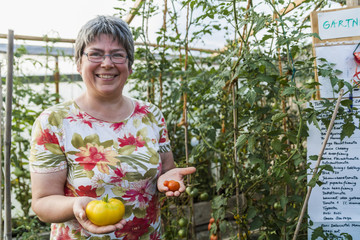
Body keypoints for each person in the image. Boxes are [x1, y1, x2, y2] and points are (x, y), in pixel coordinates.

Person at [29, 15, 196, 239]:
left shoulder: (151, 115)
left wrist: (168, 179)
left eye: (117, 55)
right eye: (95, 54)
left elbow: (165, 171)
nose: (107, 63)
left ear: (130, 65)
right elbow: (42, 203)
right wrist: (76, 204)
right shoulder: (54, 122)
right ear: (79, 63)